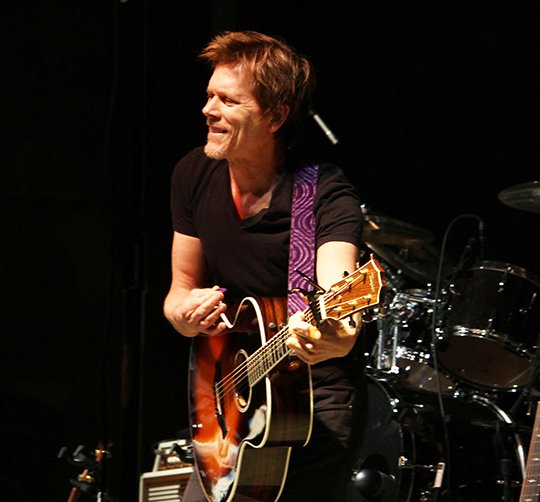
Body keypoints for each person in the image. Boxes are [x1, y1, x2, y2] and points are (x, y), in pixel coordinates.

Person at [163, 30, 366, 502]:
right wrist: (184, 314)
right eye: (209, 95)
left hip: (313, 405)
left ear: (275, 117)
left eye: (228, 101)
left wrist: (337, 331)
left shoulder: (326, 193)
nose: (208, 110)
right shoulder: (192, 173)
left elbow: (341, 296)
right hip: (228, 398)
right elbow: (179, 293)